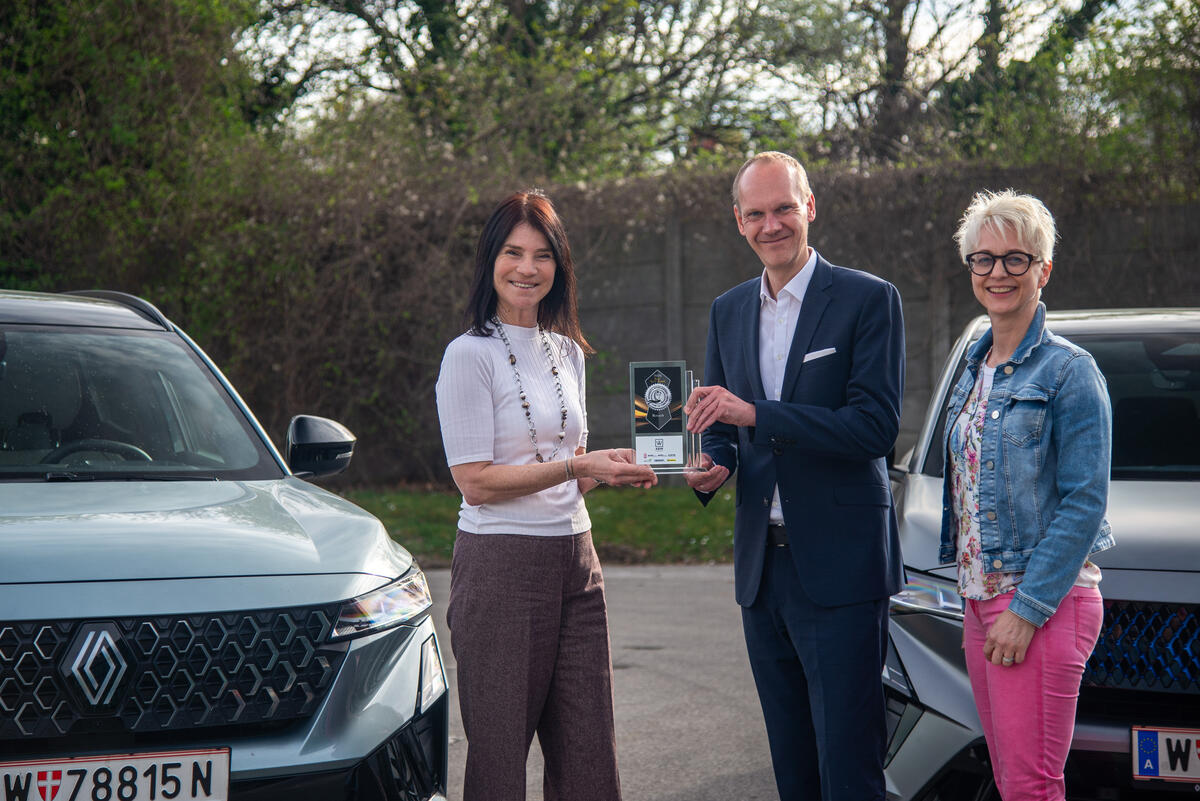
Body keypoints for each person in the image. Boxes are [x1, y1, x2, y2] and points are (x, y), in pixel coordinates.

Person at [682, 151, 906, 801]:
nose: (771, 224)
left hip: (842, 570)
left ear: (809, 207)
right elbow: (721, 426)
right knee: (792, 769)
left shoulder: (868, 298)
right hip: (763, 574)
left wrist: (758, 414)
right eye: (755, 214)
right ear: (738, 221)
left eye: (783, 208)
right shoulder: (727, 309)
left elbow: (874, 429)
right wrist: (713, 466)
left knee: (849, 769)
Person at [435, 190, 657, 801]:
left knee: (590, 753)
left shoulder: (566, 352)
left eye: (542, 255)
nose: (527, 268)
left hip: (578, 563)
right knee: (500, 761)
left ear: (559, 266)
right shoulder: (468, 355)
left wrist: (609, 469)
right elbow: (476, 481)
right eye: (513, 252)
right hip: (500, 566)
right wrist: (579, 465)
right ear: (491, 260)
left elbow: (564, 470)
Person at [945, 189, 1113, 800]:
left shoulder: (1070, 370)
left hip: (1038, 603)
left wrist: (1027, 609)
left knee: (1031, 788)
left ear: (1043, 270)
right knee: (1012, 781)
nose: (998, 272)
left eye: (1016, 258)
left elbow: (1084, 502)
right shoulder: (974, 365)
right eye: (984, 258)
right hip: (980, 600)